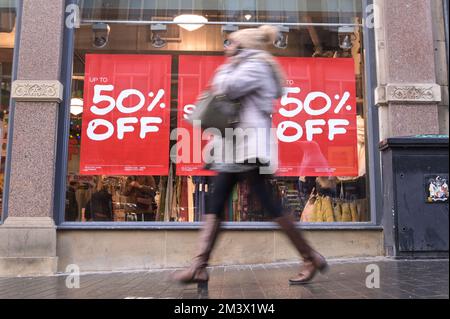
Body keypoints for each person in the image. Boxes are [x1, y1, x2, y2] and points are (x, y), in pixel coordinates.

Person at [173, 25, 328, 286]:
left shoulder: (256, 66)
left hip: (249, 147)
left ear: (243, 46)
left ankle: (310, 256)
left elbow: (227, 88)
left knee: (266, 203)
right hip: (236, 147)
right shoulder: (249, 64)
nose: (227, 47)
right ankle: (199, 265)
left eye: (231, 43)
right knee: (218, 200)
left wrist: (228, 65)